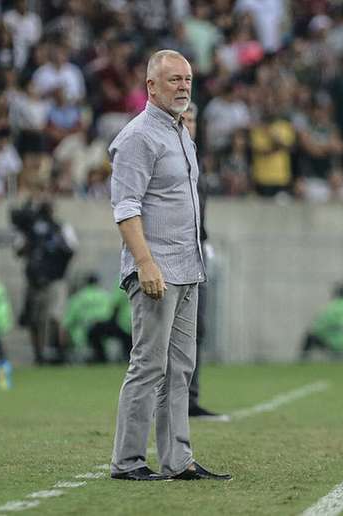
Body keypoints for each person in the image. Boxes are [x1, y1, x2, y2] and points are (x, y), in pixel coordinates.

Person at [108, 49, 231, 482]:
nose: (182, 87)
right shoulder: (139, 136)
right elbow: (125, 207)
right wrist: (144, 263)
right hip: (156, 270)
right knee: (148, 366)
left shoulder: (181, 133)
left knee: (180, 369)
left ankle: (178, 460)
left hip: (187, 266)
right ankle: (127, 462)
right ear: (151, 87)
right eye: (174, 80)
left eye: (187, 80)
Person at [181, 102, 229, 421]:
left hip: (197, 251)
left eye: (192, 118)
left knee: (197, 328)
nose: (189, 123)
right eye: (183, 118)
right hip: (173, 253)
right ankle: (170, 401)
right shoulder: (168, 159)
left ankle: (190, 399)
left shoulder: (195, 160)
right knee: (171, 334)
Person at [11, 197, 77, 364]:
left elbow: (72, 248)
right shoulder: (30, 229)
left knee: (55, 317)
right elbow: (18, 250)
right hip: (35, 280)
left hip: (56, 279)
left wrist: (54, 245)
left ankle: (61, 353)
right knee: (35, 320)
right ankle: (39, 355)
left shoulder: (60, 227)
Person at [301, 282, 343, 359]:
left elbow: (319, 327)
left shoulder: (332, 307)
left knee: (310, 336)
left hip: (336, 345)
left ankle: (302, 361)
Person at [63, 273, 113, 362]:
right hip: (105, 329)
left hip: (82, 333)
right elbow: (111, 313)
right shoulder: (105, 295)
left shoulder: (78, 297)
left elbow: (69, 320)